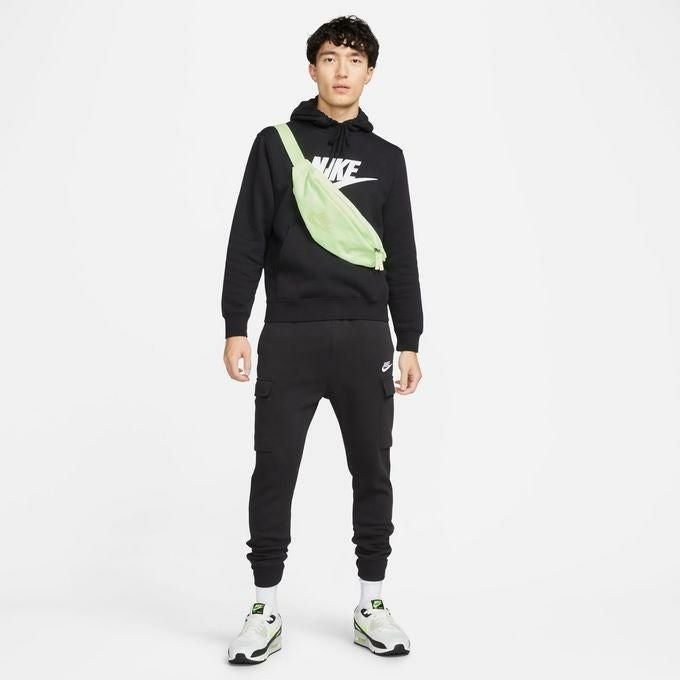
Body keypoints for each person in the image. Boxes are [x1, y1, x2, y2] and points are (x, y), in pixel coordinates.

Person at [222, 15, 423, 664]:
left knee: (373, 471)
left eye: (354, 59)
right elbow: (247, 238)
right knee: (274, 470)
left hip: (367, 338)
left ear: (370, 73)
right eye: (331, 57)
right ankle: (264, 607)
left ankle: (371, 603)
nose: (342, 70)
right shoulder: (275, 146)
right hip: (290, 336)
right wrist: (234, 324)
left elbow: (401, 255)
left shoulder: (387, 159)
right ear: (312, 68)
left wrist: (410, 337)